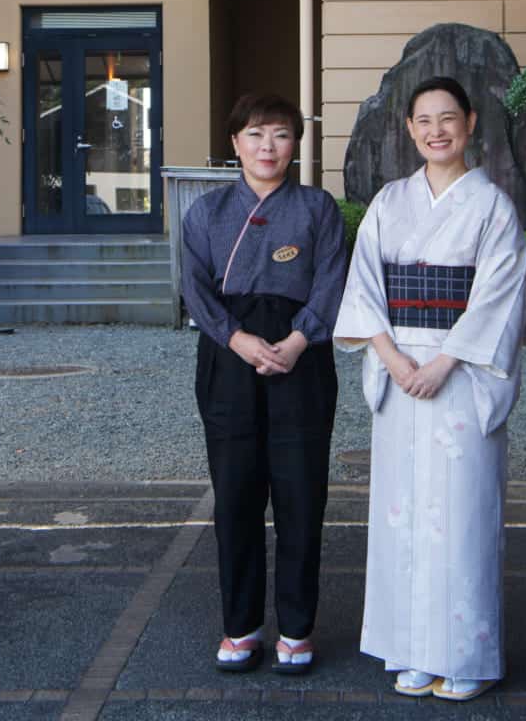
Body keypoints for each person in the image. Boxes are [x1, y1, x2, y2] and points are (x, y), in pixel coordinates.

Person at [333, 76, 526, 702]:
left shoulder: (493, 207)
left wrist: (442, 364)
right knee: (402, 519)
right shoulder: (390, 203)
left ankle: (466, 653)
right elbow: (364, 288)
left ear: (470, 123)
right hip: (400, 373)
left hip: (461, 376)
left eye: (448, 118)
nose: (436, 130)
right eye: (424, 120)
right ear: (410, 129)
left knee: (464, 517)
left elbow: (499, 298)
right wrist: (391, 358)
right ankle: (412, 648)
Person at [182, 93, 347, 675]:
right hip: (230, 355)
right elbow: (196, 290)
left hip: (301, 355)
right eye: (254, 135)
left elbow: (331, 281)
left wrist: (299, 340)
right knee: (237, 495)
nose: (267, 147)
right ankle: (241, 625)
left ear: (296, 142)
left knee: (302, 494)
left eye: (279, 134)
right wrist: (238, 339)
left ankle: (298, 628)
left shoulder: (318, 207)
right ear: (234, 144)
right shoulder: (205, 211)